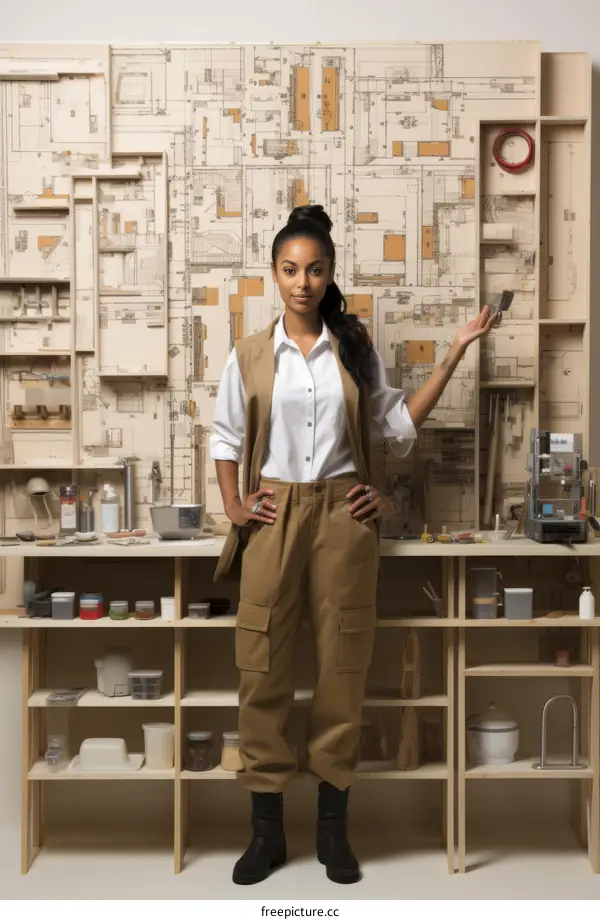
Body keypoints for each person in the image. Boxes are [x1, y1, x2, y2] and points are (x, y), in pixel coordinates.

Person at [210, 204, 494, 886]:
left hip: (342, 516)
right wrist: (235, 506)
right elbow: (224, 439)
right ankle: (266, 834)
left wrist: (455, 352)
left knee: (343, 670)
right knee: (262, 670)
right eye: (289, 269)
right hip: (273, 516)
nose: (302, 281)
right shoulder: (250, 354)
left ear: (330, 274)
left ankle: (334, 831)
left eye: (315, 269)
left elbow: (396, 427)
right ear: (273, 275)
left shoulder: (355, 349)